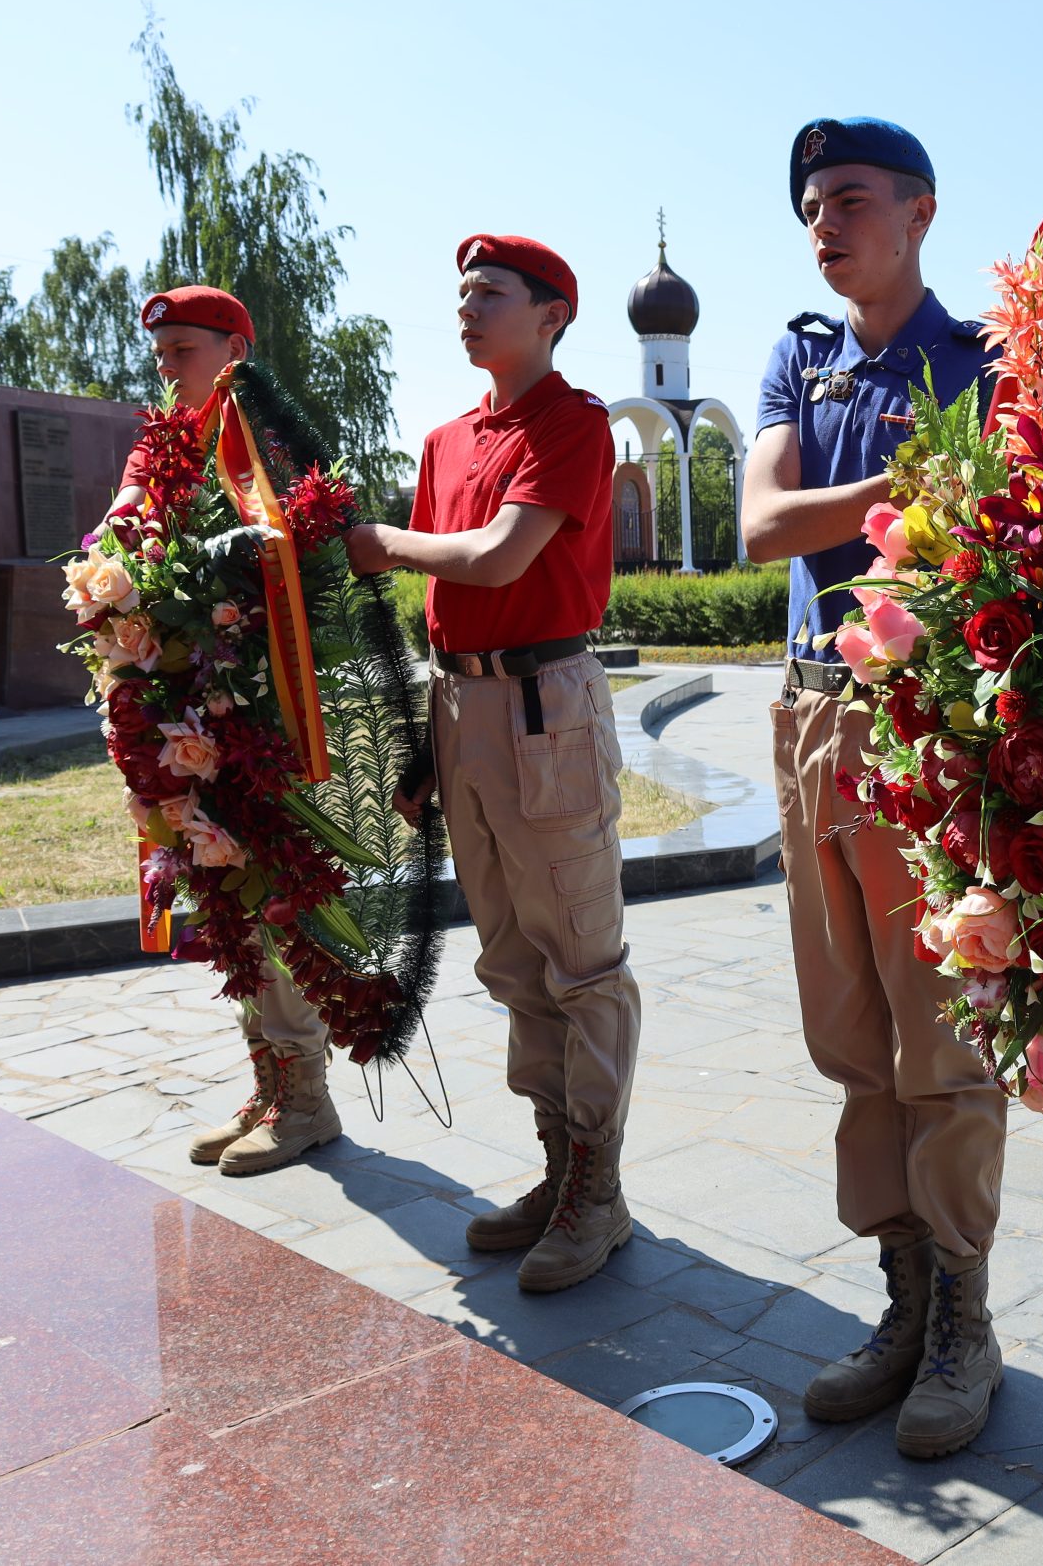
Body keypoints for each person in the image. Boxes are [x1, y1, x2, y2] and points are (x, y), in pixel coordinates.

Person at [742, 118, 1009, 1460]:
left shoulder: (987, 367)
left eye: (849, 197)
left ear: (921, 211)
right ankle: (903, 1297)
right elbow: (761, 524)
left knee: (943, 1031)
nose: (823, 221)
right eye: (810, 205)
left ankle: (966, 1314)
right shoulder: (799, 355)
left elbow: (1011, 536)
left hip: (929, 727)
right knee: (847, 1025)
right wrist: (904, 484)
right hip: (809, 708)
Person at [342, 236, 641, 1295]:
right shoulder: (446, 438)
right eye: (460, 292)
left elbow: (501, 558)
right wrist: (430, 747)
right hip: (462, 702)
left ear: (553, 313)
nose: (467, 308)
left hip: (540, 703)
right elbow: (445, 598)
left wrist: (380, 539)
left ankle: (598, 1194)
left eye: (491, 293)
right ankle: (561, 1172)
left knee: (580, 960)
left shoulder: (573, 424)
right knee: (513, 959)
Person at [104, 285, 346, 1178]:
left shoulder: (268, 442)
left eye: (184, 351)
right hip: (181, 707)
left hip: (260, 712)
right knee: (221, 893)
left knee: (273, 892)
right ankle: (270, 1083)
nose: (168, 371)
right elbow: (120, 535)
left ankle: (308, 1098)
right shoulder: (162, 444)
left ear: (234, 348)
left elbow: (305, 570)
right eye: (160, 354)